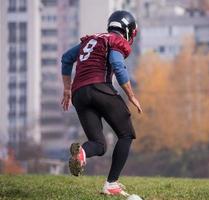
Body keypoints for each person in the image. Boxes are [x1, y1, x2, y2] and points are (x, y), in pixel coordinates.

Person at [60, 10, 142, 196]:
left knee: (99, 145)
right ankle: (111, 183)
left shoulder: (90, 40)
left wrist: (67, 89)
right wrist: (131, 95)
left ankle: (81, 153)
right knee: (126, 134)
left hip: (79, 94)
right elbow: (117, 64)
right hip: (100, 88)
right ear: (128, 30)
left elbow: (66, 58)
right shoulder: (116, 41)